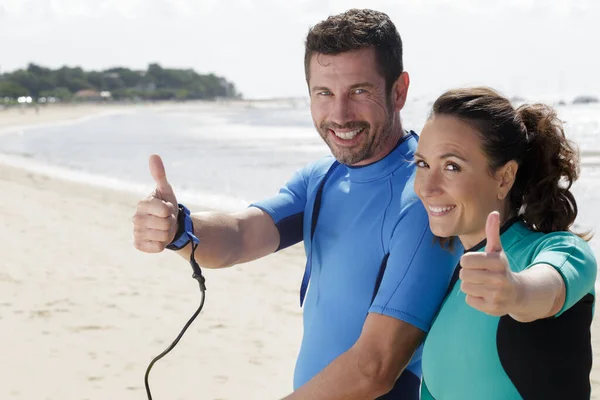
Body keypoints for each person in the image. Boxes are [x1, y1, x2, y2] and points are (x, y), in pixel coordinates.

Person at [133, 9, 461, 399]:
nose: (339, 115)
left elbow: (375, 369)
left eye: (359, 91)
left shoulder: (425, 199)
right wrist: (179, 228)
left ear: (399, 91)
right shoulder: (322, 178)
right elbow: (239, 236)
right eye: (324, 93)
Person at [413, 87, 597, 399]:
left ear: (504, 177)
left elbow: (546, 290)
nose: (428, 187)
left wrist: (515, 290)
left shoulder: (561, 251)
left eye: (451, 166)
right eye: (422, 164)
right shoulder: (455, 282)